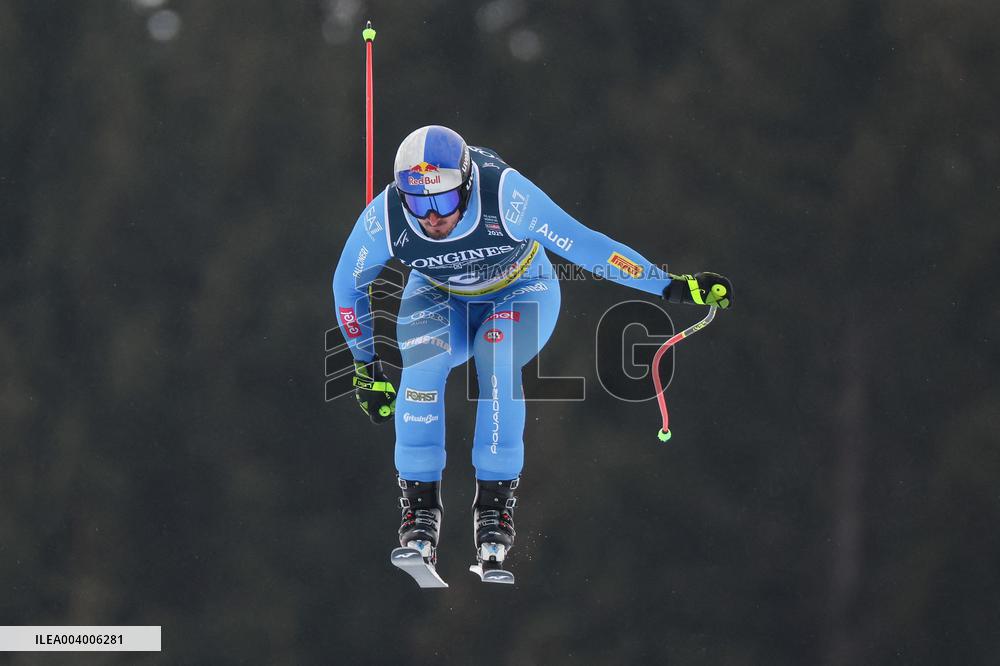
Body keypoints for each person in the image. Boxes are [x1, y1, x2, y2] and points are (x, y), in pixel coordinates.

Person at [332, 125, 732, 577]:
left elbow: (587, 247)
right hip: (440, 297)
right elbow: (348, 284)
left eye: (442, 201)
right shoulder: (385, 216)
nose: (431, 218)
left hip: (520, 291)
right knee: (422, 365)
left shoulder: (505, 197)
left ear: (464, 185)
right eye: (418, 202)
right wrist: (364, 364)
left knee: (496, 357)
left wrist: (672, 286)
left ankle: (495, 510)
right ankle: (420, 514)